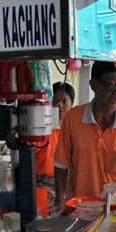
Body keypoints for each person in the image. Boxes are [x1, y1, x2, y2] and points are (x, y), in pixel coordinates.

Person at [54, 61, 116, 207]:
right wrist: (60, 199)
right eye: (110, 85)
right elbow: (61, 164)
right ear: (93, 85)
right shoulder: (73, 118)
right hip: (79, 206)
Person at [36, 81, 77, 213]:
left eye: (64, 101)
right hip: (42, 185)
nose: (60, 106)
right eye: (56, 100)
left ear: (72, 104)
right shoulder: (42, 129)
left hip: (68, 186)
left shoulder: (75, 130)